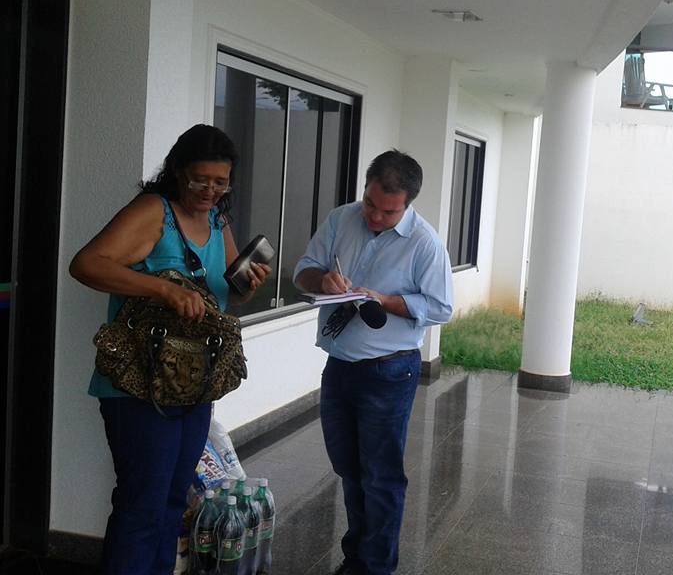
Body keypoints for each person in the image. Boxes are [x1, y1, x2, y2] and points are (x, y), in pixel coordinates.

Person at [70, 124, 271, 575]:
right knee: (142, 505)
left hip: (194, 384)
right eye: (201, 180)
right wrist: (161, 289)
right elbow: (86, 264)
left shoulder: (218, 221)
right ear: (178, 171)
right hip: (139, 386)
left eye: (221, 183)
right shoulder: (152, 211)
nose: (210, 191)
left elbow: (223, 295)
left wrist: (248, 287)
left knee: (174, 502)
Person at [294, 149, 453, 575]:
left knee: (380, 475)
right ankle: (356, 558)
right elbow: (304, 271)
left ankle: (374, 566)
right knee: (349, 468)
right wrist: (322, 280)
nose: (375, 217)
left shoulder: (425, 243)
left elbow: (441, 307)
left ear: (407, 203)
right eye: (370, 204)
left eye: (388, 211)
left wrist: (383, 301)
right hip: (340, 365)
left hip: (390, 370)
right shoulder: (341, 218)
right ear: (364, 189)